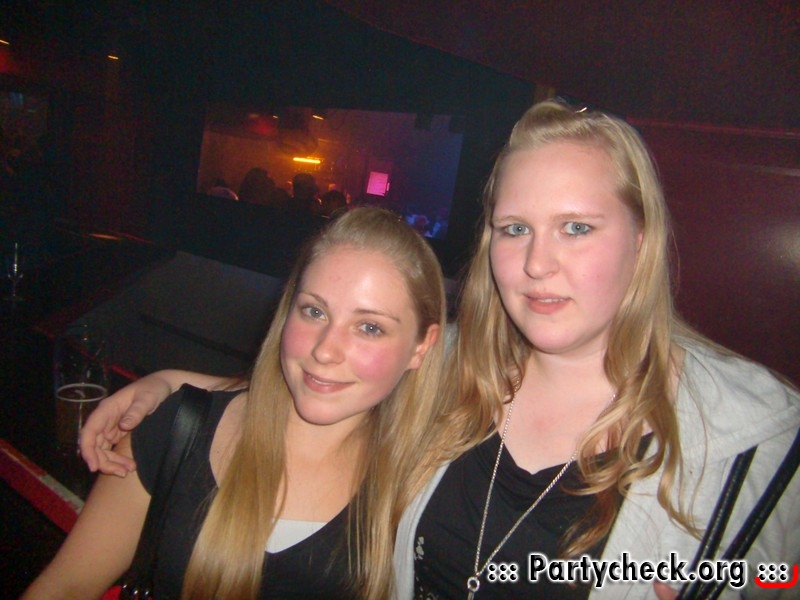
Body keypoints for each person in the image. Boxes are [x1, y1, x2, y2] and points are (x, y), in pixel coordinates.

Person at [81, 101, 800, 598]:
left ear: (641, 240)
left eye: (576, 228)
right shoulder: (456, 367)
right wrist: (171, 382)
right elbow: (338, 372)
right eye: (514, 229)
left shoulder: (751, 438)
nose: (537, 263)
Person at [25, 207, 445, 600]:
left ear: (421, 347)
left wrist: (170, 376)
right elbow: (66, 587)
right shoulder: (177, 426)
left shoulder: (424, 485)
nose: (325, 350)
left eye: (369, 327)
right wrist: (171, 381)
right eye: (314, 312)